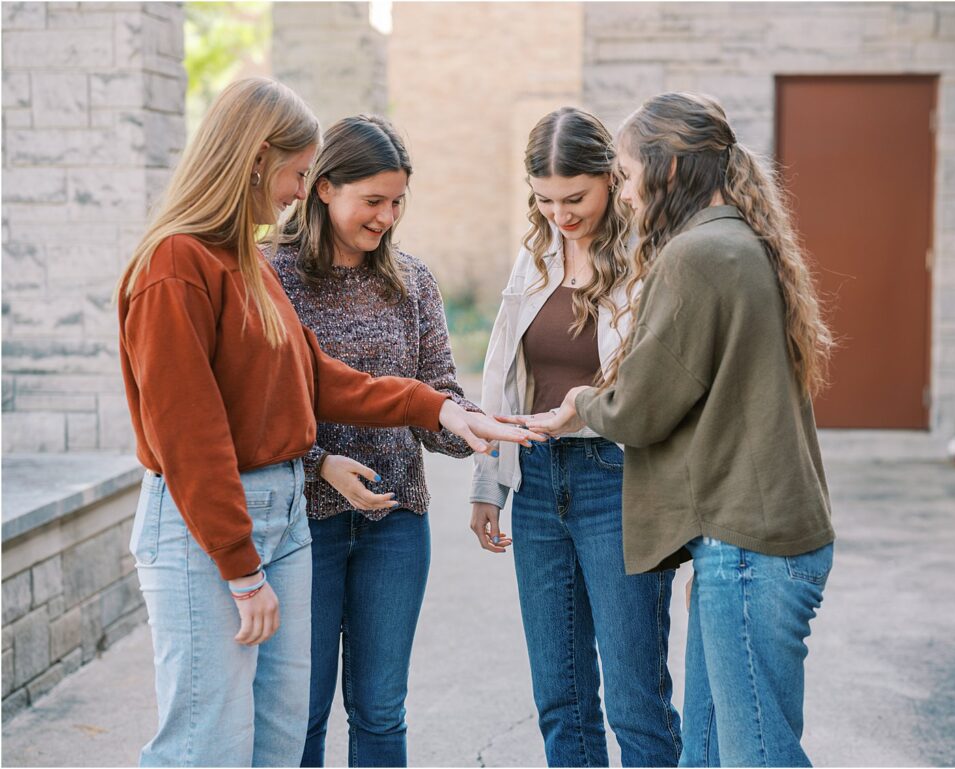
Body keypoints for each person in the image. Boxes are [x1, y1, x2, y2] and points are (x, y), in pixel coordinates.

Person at [115, 78, 541, 768]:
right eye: (295, 172)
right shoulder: (176, 265)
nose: (295, 189)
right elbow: (188, 436)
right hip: (216, 520)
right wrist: (241, 567)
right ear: (254, 159)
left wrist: (440, 408)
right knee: (208, 741)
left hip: (276, 514)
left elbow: (313, 379)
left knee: (279, 738)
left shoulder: (242, 261)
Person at [517, 92, 836, 768]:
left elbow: (640, 406)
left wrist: (580, 400)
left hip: (751, 547)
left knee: (757, 756)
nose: (625, 193)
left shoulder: (698, 255)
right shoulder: (737, 240)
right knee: (706, 754)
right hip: (752, 542)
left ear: (666, 169)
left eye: (627, 175)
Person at [469, 107, 682, 767]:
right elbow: (501, 371)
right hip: (536, 484)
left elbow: (654, 384)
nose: (560, 213)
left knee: (633, 695)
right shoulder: (534, 257)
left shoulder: (649, 256)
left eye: (575, 197)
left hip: (617, 479)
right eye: (544, 199)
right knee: (560, 695)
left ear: (611, 179)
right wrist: (489, 485)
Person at [269, 114, 479, 768]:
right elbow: (256, 407)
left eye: (397, 202)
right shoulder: (271, 278)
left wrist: (473, 425)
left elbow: (435, 390)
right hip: (303, 525)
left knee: (381, 710)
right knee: (298, 711)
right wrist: (318, 463)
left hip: (395, 522)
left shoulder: (410, 281)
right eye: (373, 201)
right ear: (324, 188)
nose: (387, 217)